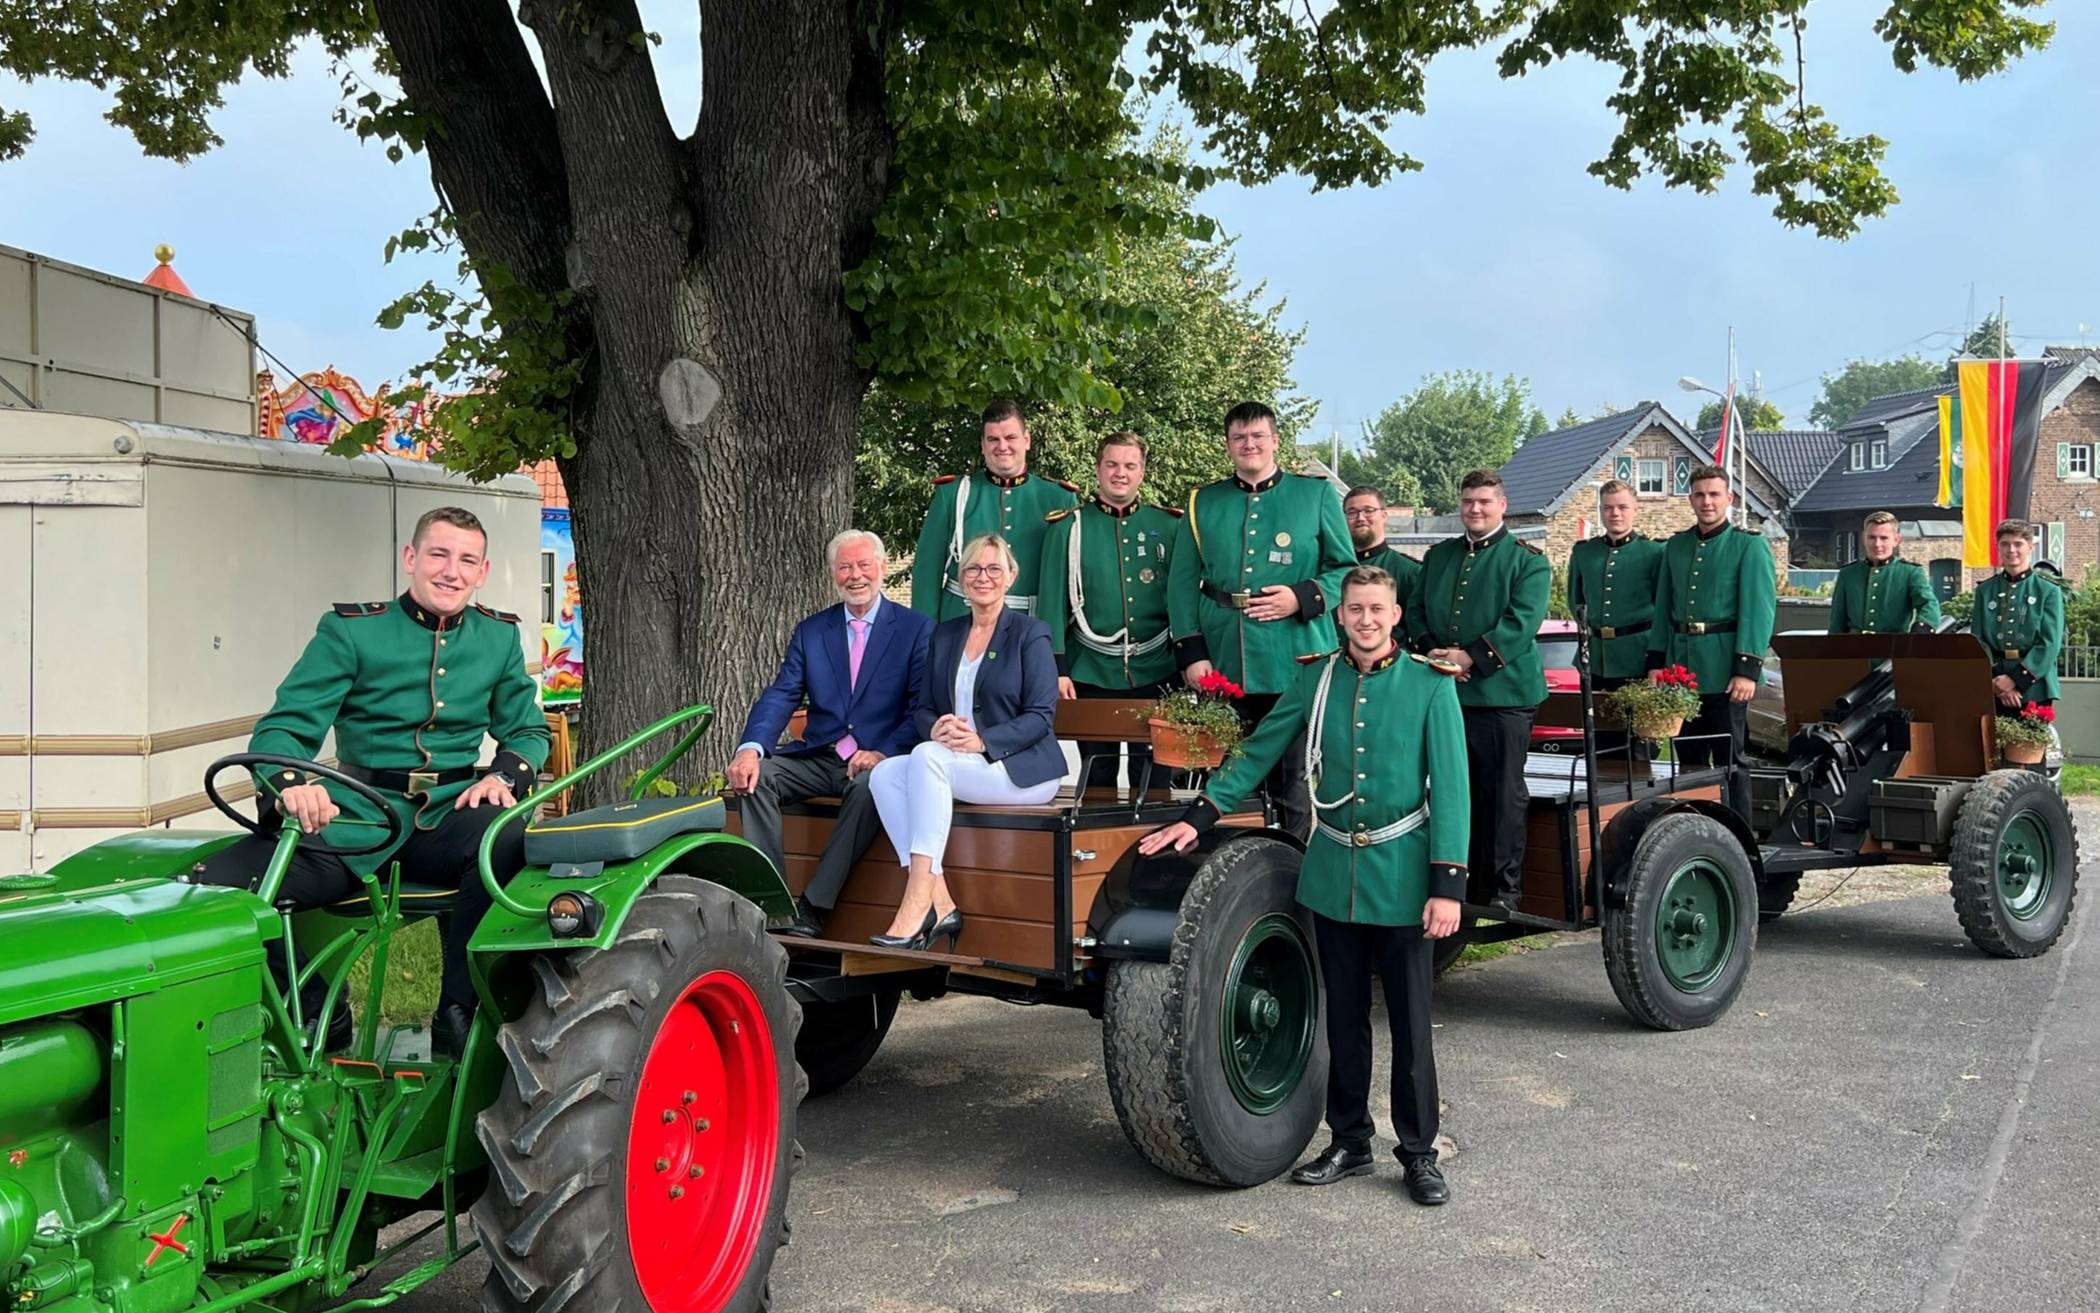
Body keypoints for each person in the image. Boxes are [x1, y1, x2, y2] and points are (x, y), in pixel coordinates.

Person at [1139, 566, 1467, 1206]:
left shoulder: (1431, 686)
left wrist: (1447, 886)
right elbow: (1261, 750)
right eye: (1356, 610)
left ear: (1395, 616)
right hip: (1335, 875)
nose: (1366, 620)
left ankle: (1419, 1152)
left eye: (1377, 609)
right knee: (1342, 1019)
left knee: (1411, 1024)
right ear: (1339, 615)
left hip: (1404, 876)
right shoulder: (1315, 679)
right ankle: (1349, 1140)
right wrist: (1198, 815)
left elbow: (1452, 792)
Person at [194, 507, 550, 1056]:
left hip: (450, 816)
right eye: (438, 554)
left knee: (503, 838)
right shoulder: (352, 631)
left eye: (467, 560)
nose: (451, 571)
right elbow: (284, 729)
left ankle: (461, 1016)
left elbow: (526, 730)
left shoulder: (497, 639)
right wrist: (294, 783)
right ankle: (313, 1010)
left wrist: (504, 775)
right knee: (214, 888)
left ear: (482, 572)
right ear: (410, 558)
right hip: (354, 817)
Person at [728, 529, 934, 938]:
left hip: (881, 762)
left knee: (869, 786)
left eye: (862, 565)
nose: (854, 576)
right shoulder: (812, 631)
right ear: (832, 574)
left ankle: (814, 908)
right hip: (821, 757)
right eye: (844, 567)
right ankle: (774, 907)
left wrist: (883, 752)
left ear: (881, 568)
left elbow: (921, 707)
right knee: (757, 779)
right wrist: (750, 748)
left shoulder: (915, 629)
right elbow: (783, 692)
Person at [1167, 401, 1354, 837]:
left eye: (1257, 436)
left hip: (1296, 656)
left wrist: (1299, 597)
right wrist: (1191, 652)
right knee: (1228, 776)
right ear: (1228, 445)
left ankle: (1295, 868)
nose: (1248, 445)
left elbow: (1345, 571)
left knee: (1292, 781)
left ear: (1275, 441)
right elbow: (1180, 584)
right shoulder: (1202, 502)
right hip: (1224, 659)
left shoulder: (1316, 495)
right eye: (1239, 438)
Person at [869, 535, 1064, 950]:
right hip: (954, 761)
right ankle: (939, 898)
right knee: (885, 774)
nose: (984, 577)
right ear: (961, 580)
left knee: (925, 759)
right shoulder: (945, 635)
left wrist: (981, 741)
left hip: (1019, 768)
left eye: (994, 569)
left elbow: (1041, 718)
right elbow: (922, 707)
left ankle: (917, 899)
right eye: (974, 569)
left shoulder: (1031, 634)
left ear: (1011, 577)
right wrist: (934, 729)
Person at [1403, 468, 1549, 916]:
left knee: (1502, 795)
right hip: (1446, 694)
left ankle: (1503, 890)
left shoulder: (1528, 561)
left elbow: (1520, 623)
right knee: (1448, 791)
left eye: (1485, 501)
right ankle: (1454, 883)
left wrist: (1467, 659)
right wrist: (1434, 654)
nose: (1475, 509)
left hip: (1504, 697)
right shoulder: (1441, 556)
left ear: (1502, 505)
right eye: (1468, 501)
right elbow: (1415, 611)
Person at [1036, 431, 1181, 796]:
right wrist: (1058, 669)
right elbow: (1050, 603)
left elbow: (1183, 600)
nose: (1120, 473)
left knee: (1155, 776)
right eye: (1112, 464)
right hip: (1091, 669)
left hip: (1157, 667)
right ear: (1098, 469)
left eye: (1130, 465)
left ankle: (1156, 852)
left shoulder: (1169, 526)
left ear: (1142, 472)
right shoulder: (1069, 526)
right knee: (1097, 775)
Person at [1651, 465, 1776, 820]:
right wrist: (1656, 663)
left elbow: (1759, 610)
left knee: (1730, 761)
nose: (1707, 502)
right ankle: (1694, 829)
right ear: (1690, 498)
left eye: (1714, 494)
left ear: (1729, 499)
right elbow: (1664, 608)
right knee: (1688, 760)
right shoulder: (1676, 546)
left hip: (1725, 671)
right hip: (1682, 673)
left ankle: (1738, 836)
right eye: (1700, 495)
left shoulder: (1747, 546)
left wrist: (1747, 669)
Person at [909, 398, 1079, 621]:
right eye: (993, 439)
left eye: (1010, 438)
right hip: (960, 622)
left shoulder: (1059, 498)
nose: (1002, 446)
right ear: (982, 445)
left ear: (1026, 440)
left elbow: (1070, 580)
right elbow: (926, 574)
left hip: (1027, 626)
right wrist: (925, 639)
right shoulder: (953, 494)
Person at [1566, 480, 1664, 760]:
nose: (1615, 514)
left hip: (1638, 656)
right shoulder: (1584, 551)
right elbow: (1577, 601)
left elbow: (1663, 606)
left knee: (1640, 747)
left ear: (1636, 509)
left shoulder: (1654, 552)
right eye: (1608, 508)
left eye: (1622, 507)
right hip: (1597, 657)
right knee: (1601, 742)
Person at [1972, 519, 2064, 710]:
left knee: (2030, 741)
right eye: (2005, 544)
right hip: (1993, 683)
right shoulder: (1985, 591)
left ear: (2030, 547)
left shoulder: (2047, 591)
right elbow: (1978, 639)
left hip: (2034, 685)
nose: (2011, 550)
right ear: (1998, 547)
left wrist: (2016, 681)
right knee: (1988, 740)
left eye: (2018, 544)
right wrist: (1999, 682)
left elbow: (2049, 643)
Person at [1828, 512, 1941, 634]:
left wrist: (1921, 628)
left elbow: (1929, 604)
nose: (1877, 544)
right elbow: (1837, 621)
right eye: (1871, 537)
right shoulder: (1848, 574)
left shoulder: (1910, 573)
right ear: (1863, 538)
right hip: (1854, 650)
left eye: (1884, 538)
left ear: (1896, 540)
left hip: (1893, 648)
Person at [1342, 484, 1421, 610]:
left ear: (1384, 516)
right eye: (1352, 512)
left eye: (1368, 511)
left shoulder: (1410, 573)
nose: (1360, 518)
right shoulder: (1332, 568)